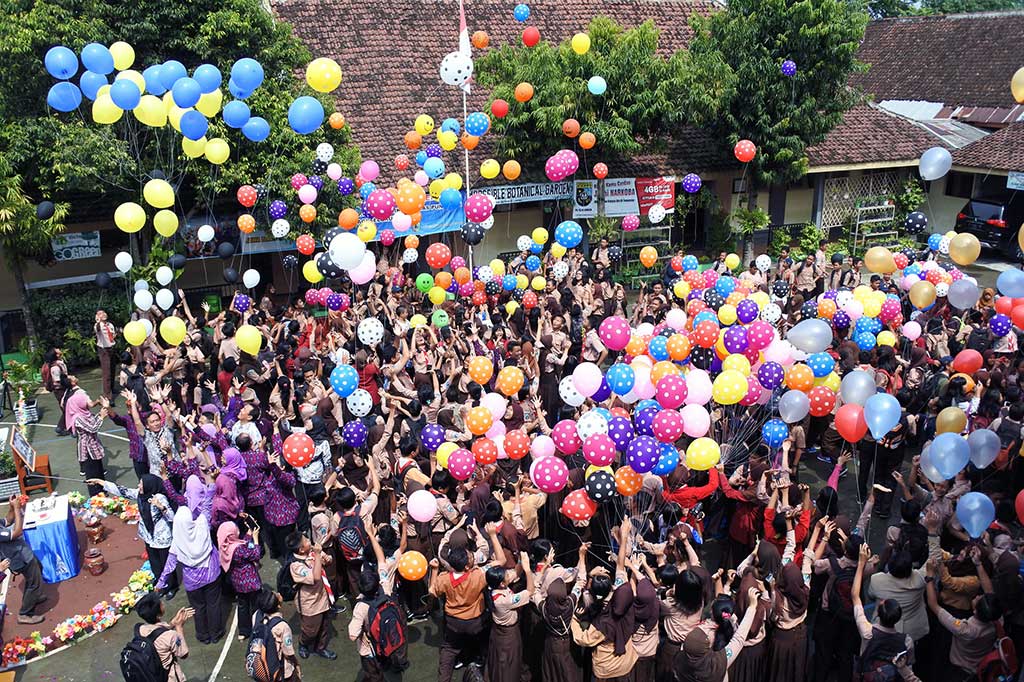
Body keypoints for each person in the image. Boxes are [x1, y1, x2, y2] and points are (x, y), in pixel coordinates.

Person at [156, 507, 224, 644]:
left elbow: (170, 565)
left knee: (198, 608)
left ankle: (203, 635)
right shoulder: (202, 527)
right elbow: (207, 505)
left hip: (192, 582)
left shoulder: (177, 541)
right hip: (211, 575)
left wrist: (161, 583)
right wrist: (210, 488)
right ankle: (216, 633)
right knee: (214, 605)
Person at [286, 531, 337, 660]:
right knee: (310, 630)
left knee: (324, 626)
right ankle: (303, 643)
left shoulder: (313, 553)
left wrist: (324, 557)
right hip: (309, 603)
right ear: (301, 549)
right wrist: (319, 555)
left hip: (323, 596)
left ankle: (321, 648)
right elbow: (315, 577)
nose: (310, 541)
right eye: (306, 541)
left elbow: (328, 561)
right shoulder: (296, 566)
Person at [0, 495, 45, 624]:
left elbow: (7, 521)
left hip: (23, 552)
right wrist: (17, 509)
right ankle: (25, 613)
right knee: (34, 583)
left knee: (38, 568)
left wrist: (11, 507)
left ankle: (33, 597)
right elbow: (17, 532)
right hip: (19, 558)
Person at [132, 592, 194, 682]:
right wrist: (179, 627)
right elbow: (184, 654)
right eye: (161, 604)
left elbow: (155, 633)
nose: (163, 603)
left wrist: (172, 623)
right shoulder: (170, 635)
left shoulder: (139, 628)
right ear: (158, 614)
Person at [95, 309, 117, 401]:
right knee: (106, 373)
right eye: (100, 313)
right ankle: (108, 396)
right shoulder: (98, 325)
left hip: (112, 348)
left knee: (112, 369)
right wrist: (98, 322)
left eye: (104, 312)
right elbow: (98, 330)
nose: (103, 314)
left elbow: (112, 335)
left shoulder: (110, 325)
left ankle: (112, 388)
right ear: (97, 316)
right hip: (104, 350)